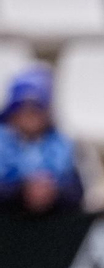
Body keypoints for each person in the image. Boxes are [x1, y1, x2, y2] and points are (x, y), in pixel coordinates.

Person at [0, 66, 83, 215]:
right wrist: (22, 191)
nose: (30, 116)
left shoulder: (62, 146)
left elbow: (78, 192)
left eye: (36, 109)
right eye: (23, 108)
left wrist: (53, 192)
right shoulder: (2, 143)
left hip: (51, 230)